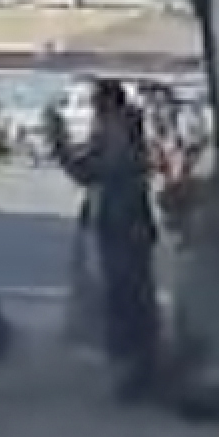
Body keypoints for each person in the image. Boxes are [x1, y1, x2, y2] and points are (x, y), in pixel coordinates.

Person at [61, 78, 165, 403]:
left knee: (126, 298)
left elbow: (94, 171)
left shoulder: (116, 129)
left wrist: (61, 147)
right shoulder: (124, 127)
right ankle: (140, 364)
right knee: (131, 296)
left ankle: (136, 369)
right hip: (127, 222)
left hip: (122, 223)